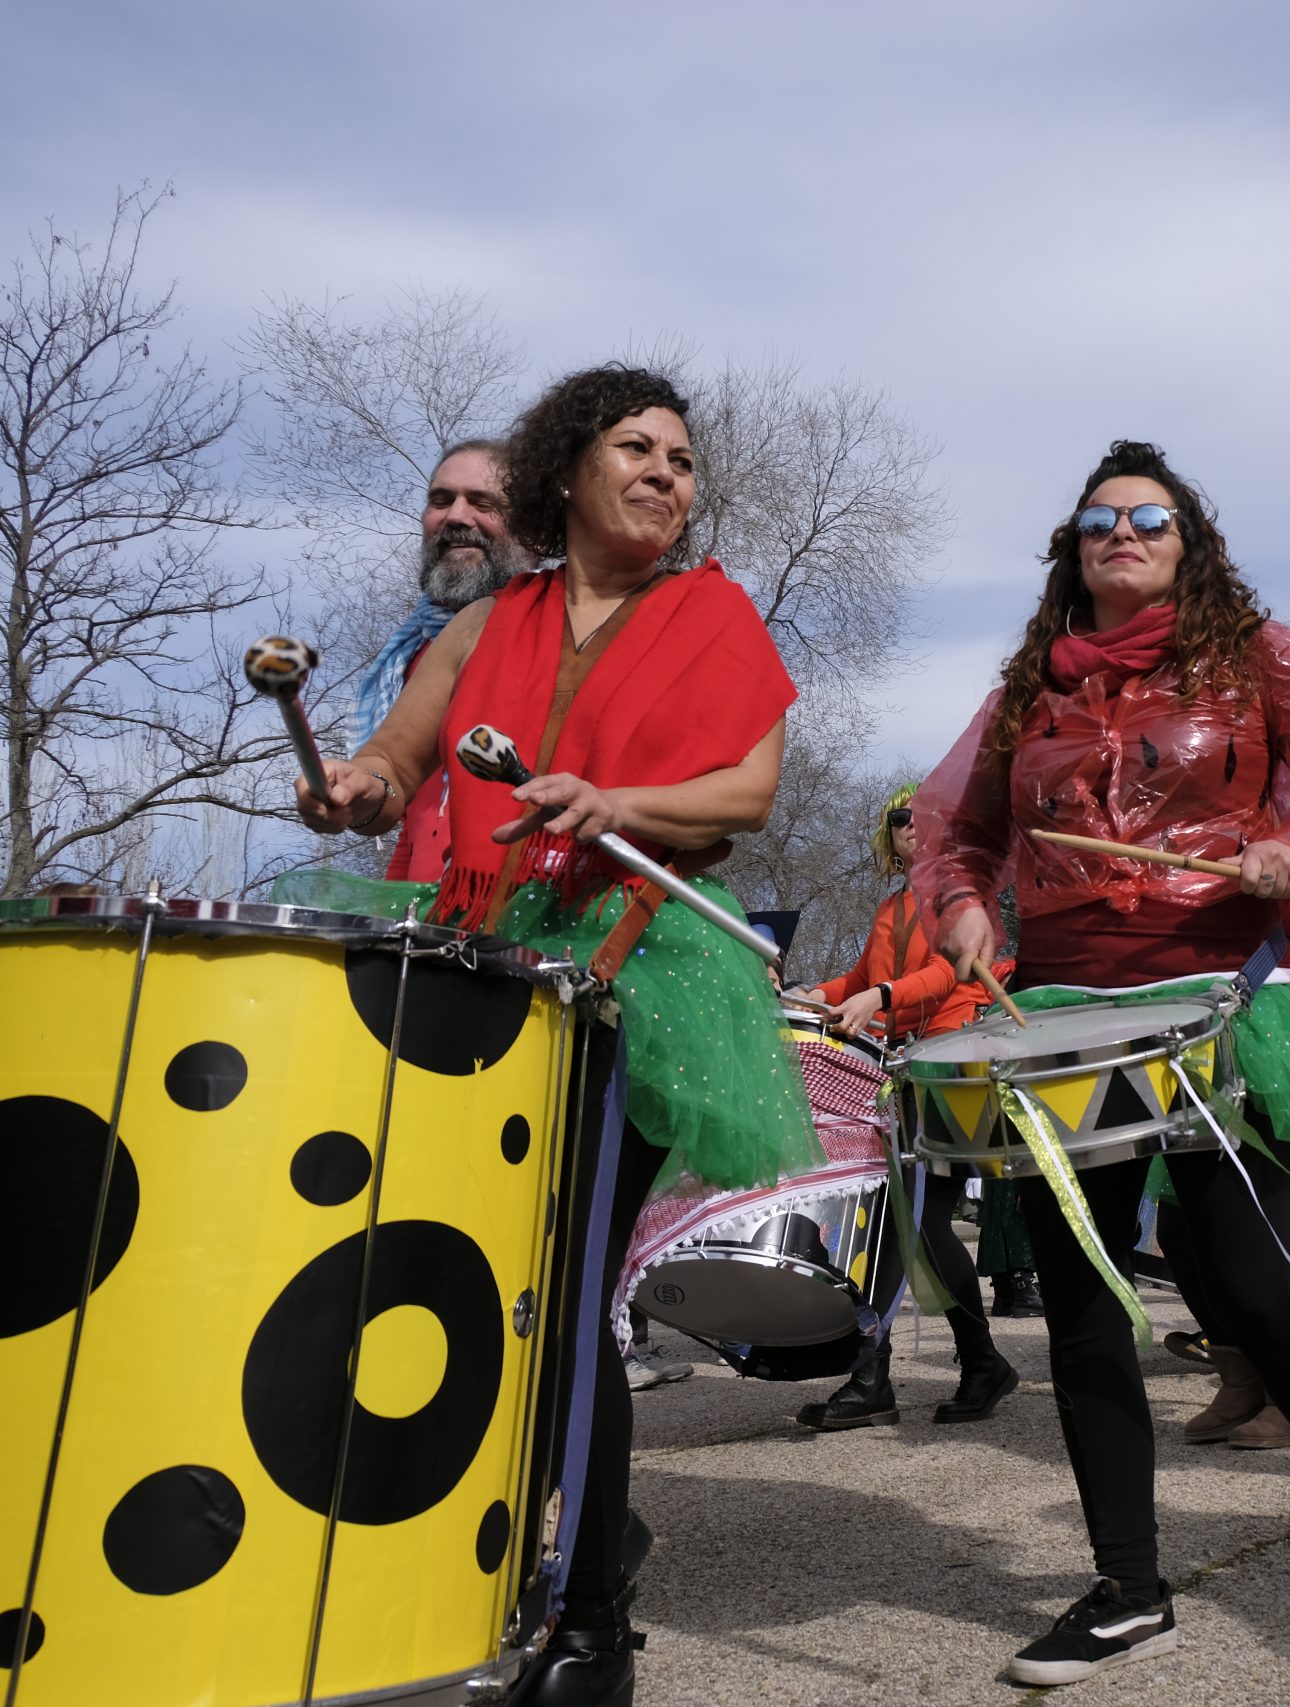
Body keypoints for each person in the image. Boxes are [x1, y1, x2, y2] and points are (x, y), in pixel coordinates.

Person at [288, 364, 809, 1706]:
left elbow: (746, 791)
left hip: (633, 965)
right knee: (462, 1274)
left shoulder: (712, 610)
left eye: (682, 460)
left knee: (568, 1289)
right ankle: (478, 1557)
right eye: (636, 447)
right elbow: (397, 764)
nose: (665, 473)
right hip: (483, 960)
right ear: (568, 468)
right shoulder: (485, 623)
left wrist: (618, 801)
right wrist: (352, 787)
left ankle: (590, 1621)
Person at [913, 441, 1290, 1685]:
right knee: (1083, 1296)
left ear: (1189, 543)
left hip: (1208, 992)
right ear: (1071, 548)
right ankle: (1128, 1587)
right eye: (1099, 520)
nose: (1121, 535)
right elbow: (958, 833)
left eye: (1149, 519)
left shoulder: (1251, 653)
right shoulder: (1029, 686)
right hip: (1057, 1008)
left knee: (1246, 1280)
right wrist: (962, 906)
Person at [787, 784, 1020, 1430]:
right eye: (900, 817)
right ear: (888, 836)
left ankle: (949, 1367)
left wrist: (882, 996)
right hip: (905, 1073)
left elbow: (950, 973)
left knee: (919, 1222)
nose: (913, 824)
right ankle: (904, 1373)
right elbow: (859, 981)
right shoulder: (891, 907)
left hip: (952, 1067)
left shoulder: (961, 901)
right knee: (899, 1223)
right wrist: (814, 995)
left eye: (927, 816)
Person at [344, 439, 536, 880]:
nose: (456, 516)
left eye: (483, 503)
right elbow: (418, 821)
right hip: (432, 909)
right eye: (441, 500)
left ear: (535, 533)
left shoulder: (561, 637)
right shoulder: (408, 654)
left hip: (525, 903)